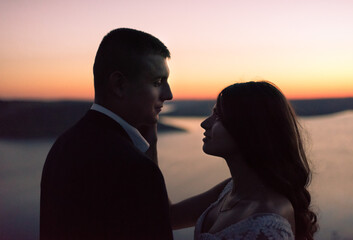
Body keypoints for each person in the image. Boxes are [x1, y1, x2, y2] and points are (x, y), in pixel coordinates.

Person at [40, 28, 174, 239]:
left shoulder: (63, 146)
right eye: (157, 82)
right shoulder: (136, 169)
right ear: (119, 84)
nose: (169, 94)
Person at [192, 81, 318, 239]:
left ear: (250, 129)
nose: (204, 124)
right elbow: (168, 215)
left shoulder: (268, 226)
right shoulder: (229, 190)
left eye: (219, 116)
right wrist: (152, 138)